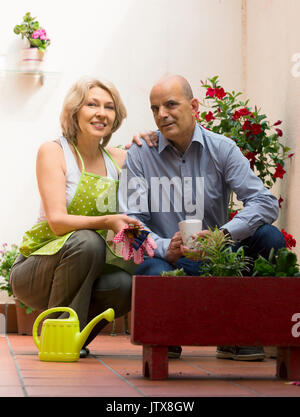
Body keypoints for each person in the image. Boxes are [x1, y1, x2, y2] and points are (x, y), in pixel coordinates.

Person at [119, 74, 286, 361]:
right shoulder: (140, 155)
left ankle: (239, 334)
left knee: (269, 237)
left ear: (194, 106)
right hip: (168, 262)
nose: (162, 114)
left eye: (170, 104)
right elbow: (129, 226)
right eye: (155, 108)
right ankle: (166, 336)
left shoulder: (221, 148)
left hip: (220, 258)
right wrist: (162, 248)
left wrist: (223, 236)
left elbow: (265, 202)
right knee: (152, 272)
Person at [9, 77, 154, 357]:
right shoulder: (54, 151)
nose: (101, 112)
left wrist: (150, 140)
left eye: (109, 107)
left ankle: (75, 340)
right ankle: (56, 337)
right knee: (88, 242)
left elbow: (158, 160)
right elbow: (58, 221)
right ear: (75, 111)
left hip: (85, 267)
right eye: (92, 104)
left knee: (124, 285)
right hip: (37, 269)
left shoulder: (118, 159)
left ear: (116, 116)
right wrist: (107, 221)